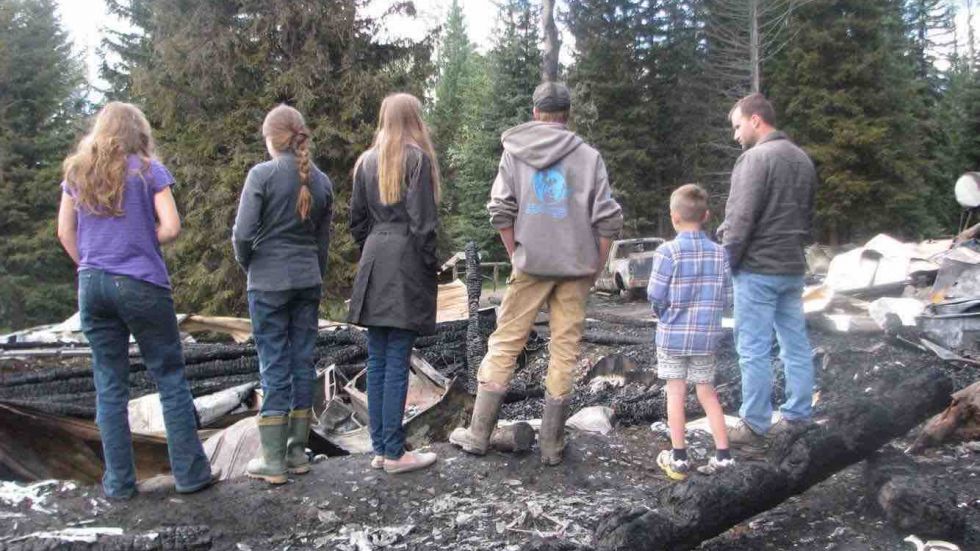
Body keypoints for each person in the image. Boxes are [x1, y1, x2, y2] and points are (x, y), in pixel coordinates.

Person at [449, 81, 624, 465]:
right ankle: (551, 446)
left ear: (535, 113)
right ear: (568, 115)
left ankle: (478, 434)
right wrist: (595, 265)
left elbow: (500, 210)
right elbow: (608, 220)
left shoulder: (515, 152)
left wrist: (516, 254)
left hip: (531, 265)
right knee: (564, 350)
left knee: (506, 341)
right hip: (577, 268)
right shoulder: (590, 157)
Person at [57, 102, 215, 499]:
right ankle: (191, 475)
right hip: (142, 283)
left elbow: (64, 232)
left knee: (109, 384)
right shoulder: (147, 170)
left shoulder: (78, 171)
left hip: (92, 284)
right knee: (168, 376)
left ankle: (119, 484)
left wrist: (91, 262)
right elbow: (172, 226)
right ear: (138, 133)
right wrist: (138, 241)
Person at [233, 105, 334, 484]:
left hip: (268, 282)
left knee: (273, 364)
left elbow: (243, 234)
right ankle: (297, 452)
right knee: (302, 362)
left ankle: (272, 460)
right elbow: (322, 243)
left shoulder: (261, 175)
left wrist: (251, 265)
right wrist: (314, 275)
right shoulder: (321, 182)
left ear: (272, 140)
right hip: (307, 280)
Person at [347, 93, 441, 474]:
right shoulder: (417, 159)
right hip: (404, 263)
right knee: (396, 359)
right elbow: (423, 224)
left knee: (379, 357)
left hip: (374, 260)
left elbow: (356, 223)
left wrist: (376, 247)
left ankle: (382, 448)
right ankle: (395, 452)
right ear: (413, 119)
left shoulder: (365, 162)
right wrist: (429, 264)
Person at [719, 93, 817, 451]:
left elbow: (740, 220)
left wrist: (726, 263)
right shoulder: (802, 159)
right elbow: (807, 218)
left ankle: (756, 424)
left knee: (753, 349)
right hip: (792, 268)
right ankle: (798, 415)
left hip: (758, 270)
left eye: (737, 125)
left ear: (756, 120)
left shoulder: (754, 159)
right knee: (795, 345)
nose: (736, 135)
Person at [647, 184, 734, 480]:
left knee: (675, 393)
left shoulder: (667, 252)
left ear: (673, 217)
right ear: (707, 215)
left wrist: (664, 315)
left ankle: (679, 459)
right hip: (706, 336)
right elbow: (727, 296)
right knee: (708, 393)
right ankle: (723, 456)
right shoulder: (720, 254)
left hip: (672, 335)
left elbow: (655, 295)